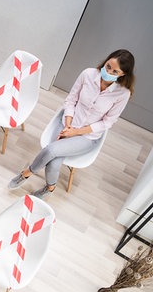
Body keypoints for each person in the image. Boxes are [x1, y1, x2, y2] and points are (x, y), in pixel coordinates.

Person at [8, 49, 135, 198]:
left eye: (115, 71)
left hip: (87, 136)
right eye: (108, 66)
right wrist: (68, 125)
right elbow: (71, 100)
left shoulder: (122, 94)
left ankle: (27, 172)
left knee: (50, 151)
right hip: (67, 123)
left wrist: (75, 132)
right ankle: (50, 188)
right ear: (105, 61)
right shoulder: (88, 74)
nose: (109, 71)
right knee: (54, 163)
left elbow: (108, 122)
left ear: (122, 74)